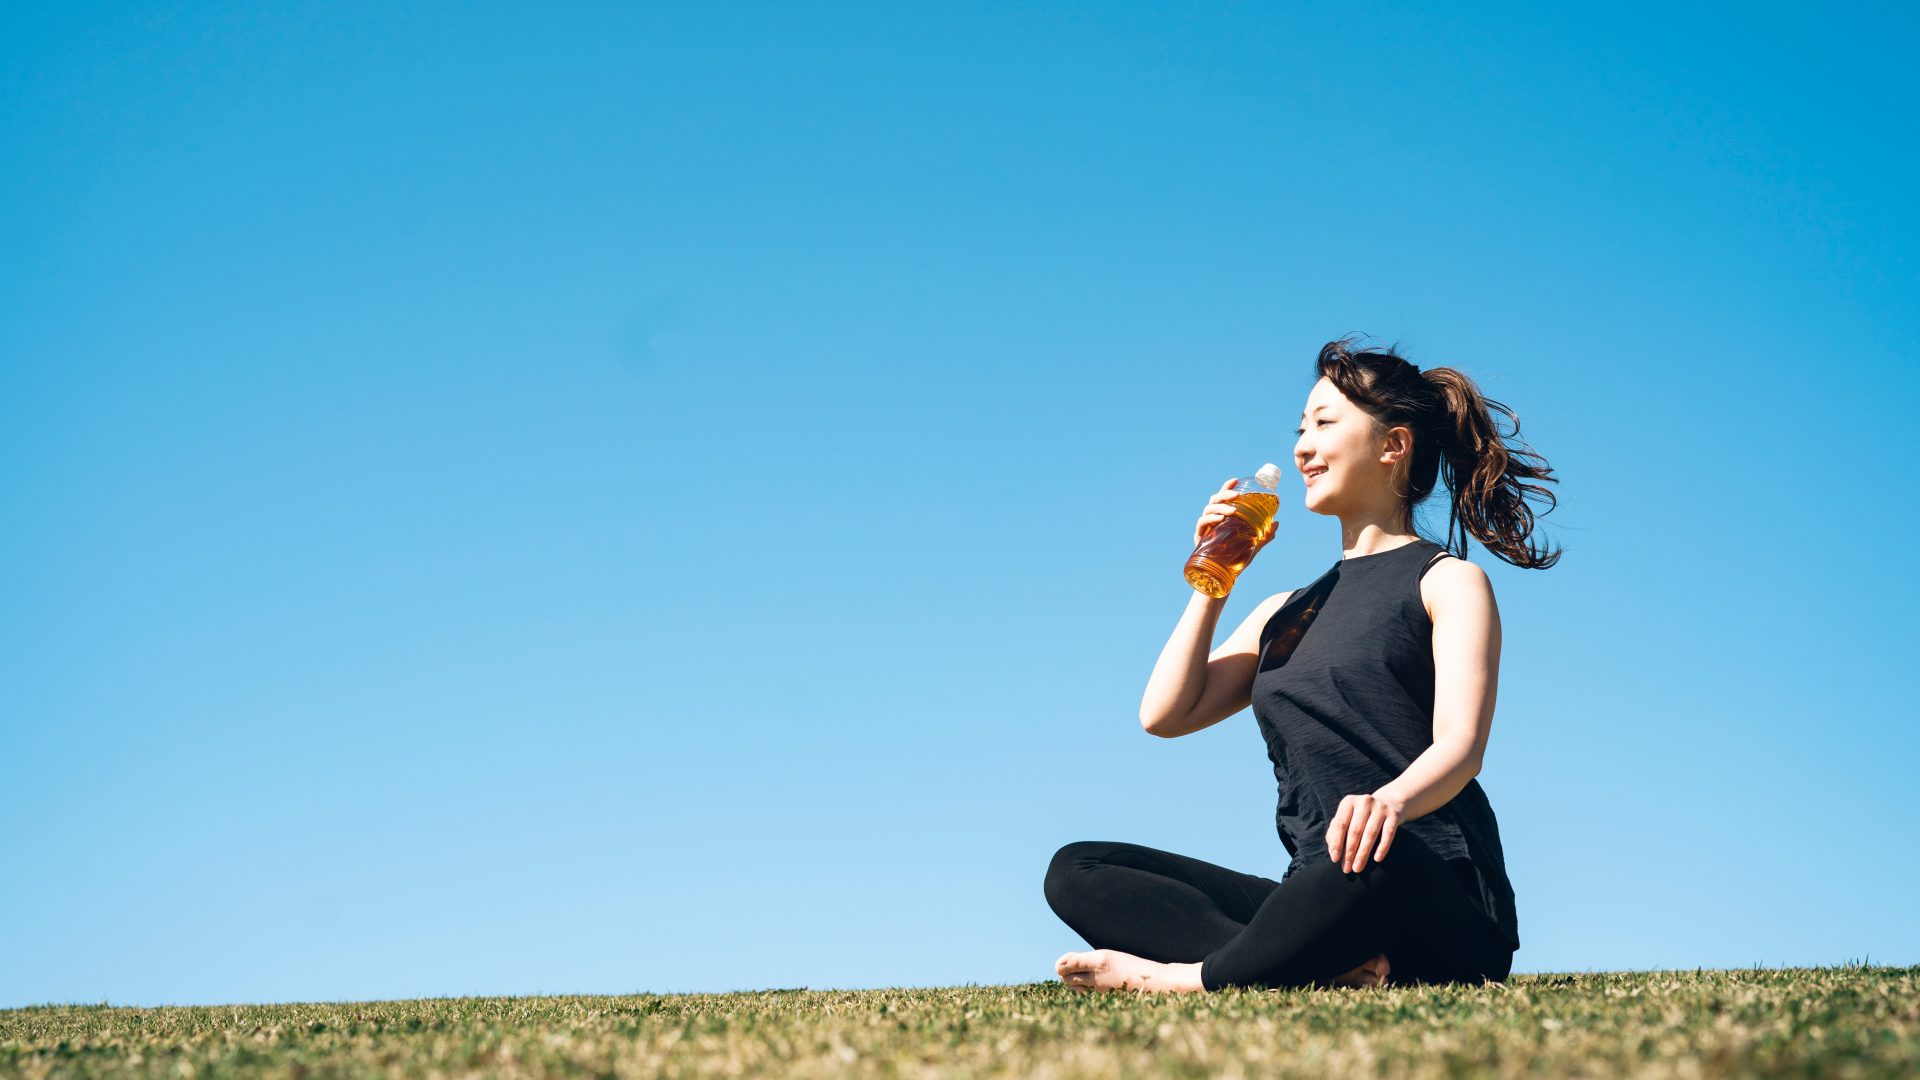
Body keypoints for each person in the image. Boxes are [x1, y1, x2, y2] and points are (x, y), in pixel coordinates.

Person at [1043, 335, 1562, 994]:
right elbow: (1164, 714)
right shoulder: (1284, 610)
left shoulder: (1447, 580)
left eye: (1324, 424)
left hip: (1418, 885)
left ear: (1391, 445)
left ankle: (1184, 979)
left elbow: (1461, 749)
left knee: (1380, 861)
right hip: (1313, 893)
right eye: (1300, 428)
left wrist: (1390, 803)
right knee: (1077, 868)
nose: (1301, 447)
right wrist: (1216, 578)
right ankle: (1320, 967)